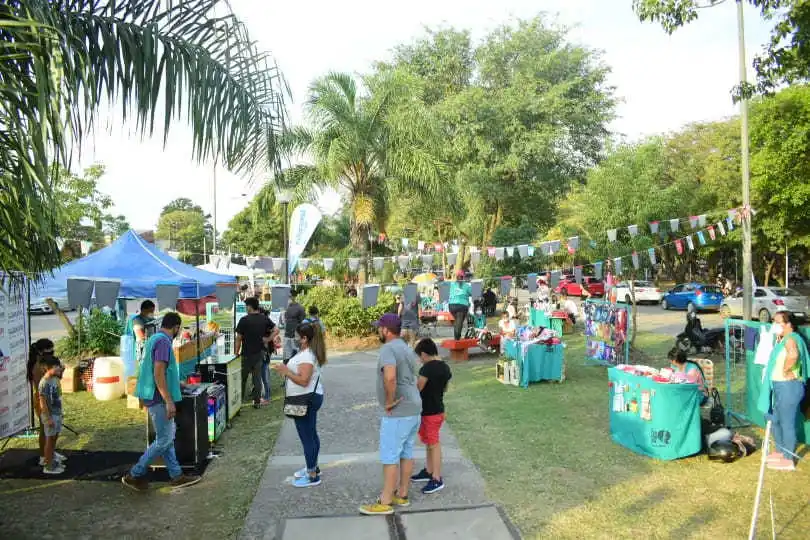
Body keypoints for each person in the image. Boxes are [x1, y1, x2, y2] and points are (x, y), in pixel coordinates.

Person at [123, 312, 200, 491]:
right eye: (179, 329)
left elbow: (161, 371)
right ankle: (134, 474)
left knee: (167, 438)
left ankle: (176, 475)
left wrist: (178, 384)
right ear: (176, 327)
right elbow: (158, 373)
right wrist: (168, 400)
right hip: (158, 397)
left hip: (154, 394)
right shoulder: (163, 342)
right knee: (164, 440)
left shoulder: (154, 339)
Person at [359, 314, 422, 516]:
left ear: (386, 330)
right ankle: (402, 494)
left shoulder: (388, 348)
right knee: (406, 452)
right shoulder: (406, 347)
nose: (378, 330)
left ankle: (385, 500)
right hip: (413, 408)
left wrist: (389, 401)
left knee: (390, 455)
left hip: (399, 411)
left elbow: (390, 376)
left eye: (380, 328)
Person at [272, 321, 327, 487]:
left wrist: (286, 372)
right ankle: (313, 467)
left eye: (296, 336)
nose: (294, 338)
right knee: (311, 435)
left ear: (304, 339)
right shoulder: (305, 352)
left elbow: (304, 381)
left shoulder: (307, 356)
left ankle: (312, 475)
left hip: (305, 400)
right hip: (306, 398)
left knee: (307, 438)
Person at [758, 311, 809, 472]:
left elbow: (793, 355)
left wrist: (786, 370)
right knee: (775, 420)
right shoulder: (784, 339)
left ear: (788, 324)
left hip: (789, 387)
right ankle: (780, 451)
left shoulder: (791, 338)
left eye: (777, 322)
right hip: (780, 387)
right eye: (774, 321)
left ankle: (788, 459)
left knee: (787, 424)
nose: (774, 324)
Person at [410, 338, 452, 494]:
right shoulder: (445, 367)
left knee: (433, 444)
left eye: (419, 356)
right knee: (429, 442)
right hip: (438, 409)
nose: (420, 360)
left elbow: (418, 389)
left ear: (423, 354)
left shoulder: (426, 369)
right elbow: (445, 388)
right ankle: (429, 471)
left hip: (429, 412)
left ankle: (436, 478)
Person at [27, 338, 66, 467]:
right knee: (45, 430)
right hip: (42, 400)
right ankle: (43, 457)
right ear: (40, 352)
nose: (51, 355)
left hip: (53, 400)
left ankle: (51, 453)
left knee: (53, 430)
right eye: (49, 352)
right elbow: (43, 387)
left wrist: (60, 371)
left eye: (52, 352)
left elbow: (57, 378)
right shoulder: (37, 367)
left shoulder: (46, 364)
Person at [235, 297, 277, 408]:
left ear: (250, 306)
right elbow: (276, 330)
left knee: (242, 379)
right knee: (257, 378)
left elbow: (238, 338)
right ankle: (257, 401)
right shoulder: (264, 318)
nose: (245, 308)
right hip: (259, 353)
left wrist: (236, 353)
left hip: (246, 354)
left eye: (246, 306)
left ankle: (239, 402)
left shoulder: (244, 320)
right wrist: (268, 339)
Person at [38, 356, 65, 475]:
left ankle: (52, 460)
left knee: (54, 438)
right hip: (50, 415)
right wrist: (48, 418)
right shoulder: (43, 383)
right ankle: (48, 466)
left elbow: (61, 374)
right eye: (55, 367)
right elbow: (42, 403)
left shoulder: (55, 378)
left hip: (57, 413)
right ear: (48, 368)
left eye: (58, 366)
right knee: (49, 440)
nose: (58, 368)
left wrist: (60, 413)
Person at [447, 270, 472, 341]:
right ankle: (457, 338)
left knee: (457, 321)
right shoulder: (466, 285)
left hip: (452, 305)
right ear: (463, 277)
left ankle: (457, 337)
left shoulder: (451, 284)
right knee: (459, 321)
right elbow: (473, 293)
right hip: (462, 306)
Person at [283, 290, 306, 364]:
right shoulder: (287, 307)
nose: (288, 298)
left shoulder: (300, 308)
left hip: (295, 334)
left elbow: (302, 321)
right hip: (287, 333)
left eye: (290, 296)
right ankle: (287, 366)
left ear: (294, 297)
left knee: (296, 353)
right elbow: (285, 318)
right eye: (288, 296)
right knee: (287, 354)